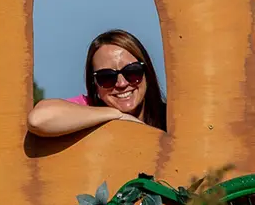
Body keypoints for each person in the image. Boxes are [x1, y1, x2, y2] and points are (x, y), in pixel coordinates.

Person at [27, 29, 166, 137]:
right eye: (106, 77)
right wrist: (118, 115)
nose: (121, 83)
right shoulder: (86, 109)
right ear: (94, 84)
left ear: (147, 72)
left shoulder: (170, 117)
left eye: (132, 72)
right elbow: (38, 119)